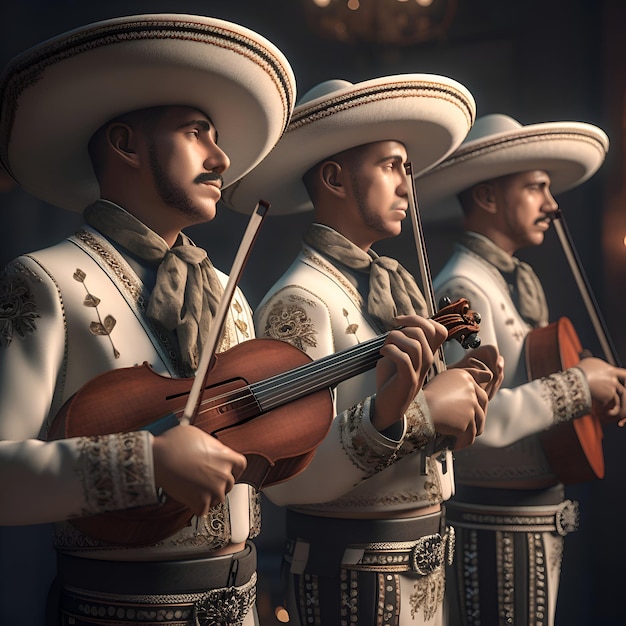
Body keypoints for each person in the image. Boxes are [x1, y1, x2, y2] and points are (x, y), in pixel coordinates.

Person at [0, 14, 459, 626]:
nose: (221, 157)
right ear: (126, 145)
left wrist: (390, 411)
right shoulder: (44, 279)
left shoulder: (226, 291)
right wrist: (147, 462)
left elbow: (270, 458)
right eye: (197, 133)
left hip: (238, 602)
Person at [223, 76, 504, 626]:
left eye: (406, 168)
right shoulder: (300, 299)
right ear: (333, 178)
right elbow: (287, 477)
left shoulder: (397, 285)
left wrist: (465, 396)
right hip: (350, 572)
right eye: (391, 166)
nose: (407, 187)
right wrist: (421, 412)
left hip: (424, 561)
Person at [414, 113, 626, 626]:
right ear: (487, 197)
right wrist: (580, 384)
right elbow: (480, 418)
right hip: (496, 519)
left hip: (530, 512)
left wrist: (589, 381)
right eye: (535, 188)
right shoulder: (464, 285)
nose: (551, 204)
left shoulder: (508, 281)